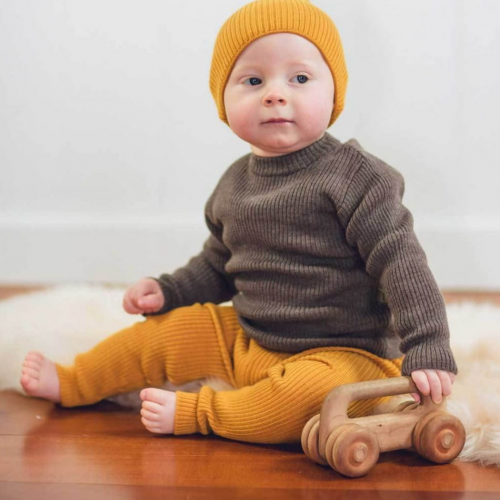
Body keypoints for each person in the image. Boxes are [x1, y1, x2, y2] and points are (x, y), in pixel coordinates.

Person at [20, 0, 457, 444]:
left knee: (315, 396)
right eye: (253, 81)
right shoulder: (234, 182)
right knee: (168, 333)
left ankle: (205, 412)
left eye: (300, 78)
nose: (275, 94)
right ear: (223, 103)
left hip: (344, 353)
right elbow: (219, 263)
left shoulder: (357, 178)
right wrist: (170, 290)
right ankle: (74, 381)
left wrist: (428, 345)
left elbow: (402, 265)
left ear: (334, 93)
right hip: (249, 338)